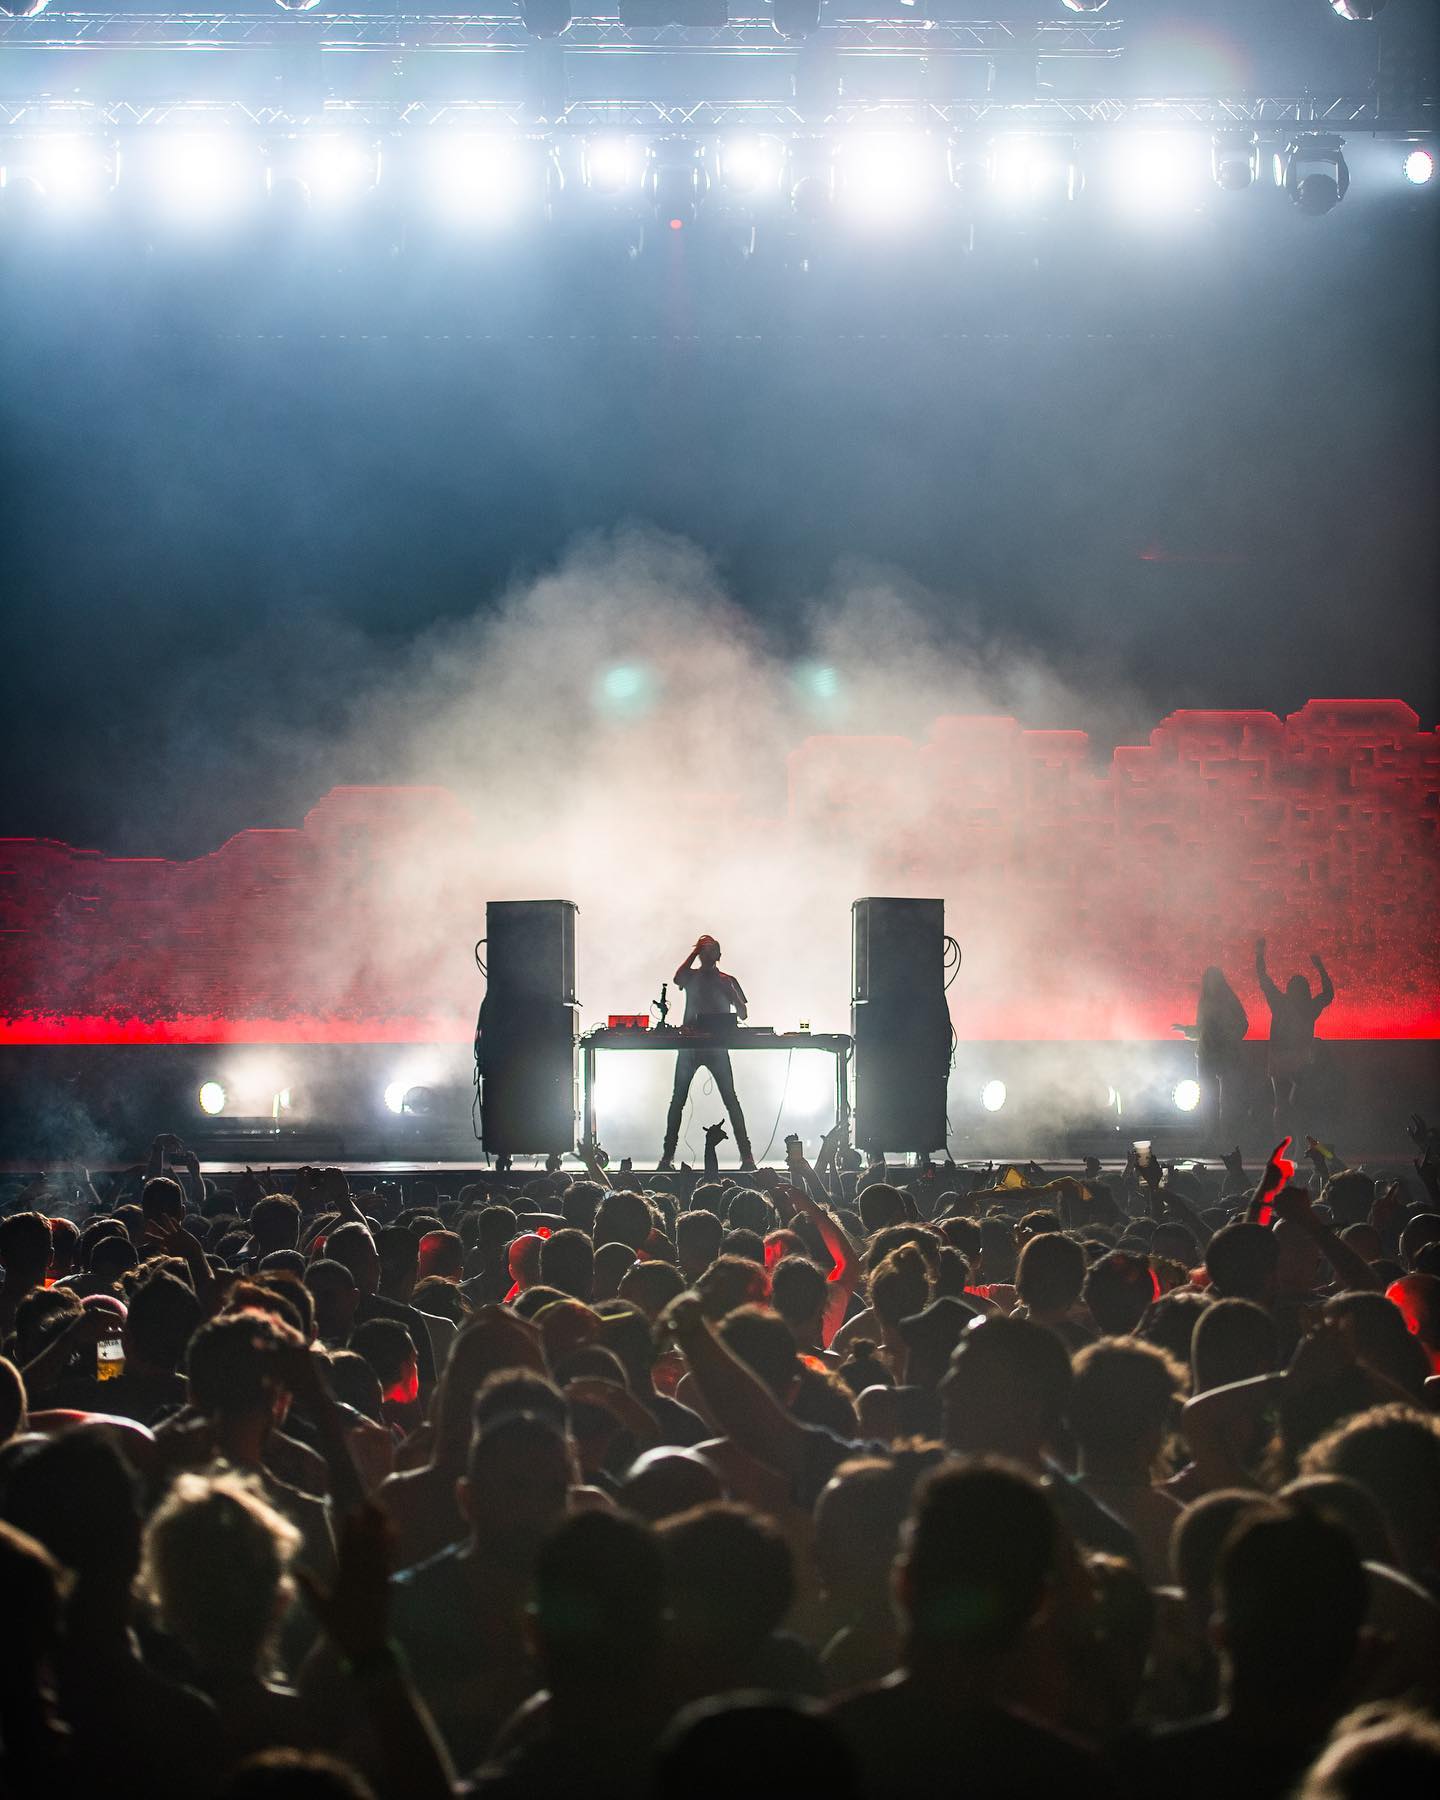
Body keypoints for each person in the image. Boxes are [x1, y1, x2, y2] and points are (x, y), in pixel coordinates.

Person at [659, 936, 754, 1172]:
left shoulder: (727, 980)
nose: (707, 955)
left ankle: (747, 1156)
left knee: (730, 1100)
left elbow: (743, 1014)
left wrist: (733, 994)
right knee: (678, 1101)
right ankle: (667, 1157)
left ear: (719, 955)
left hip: (716, 1047)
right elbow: (677, 978)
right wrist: (694, 952)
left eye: (711, 951)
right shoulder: (691, 977)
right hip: (691, 1047)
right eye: (703, 951)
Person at [1254, 937, 1335, 1131]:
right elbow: (1328, 994)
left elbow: (1263, 977)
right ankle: (1297, 1142)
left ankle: (1282, 1141)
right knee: (1296, 1105)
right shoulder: (1309, 1008)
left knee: (1281, 1104)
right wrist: (1320, 968)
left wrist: (1259, 953)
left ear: (1289, 989)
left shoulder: (1280, 1003)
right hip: (1299, 1061)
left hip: (1279, 1060)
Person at [1173, 966, 1249, 1143]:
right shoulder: (1207, 1003)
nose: (1211, 984)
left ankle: (1225, 1138)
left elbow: (1242, 1025)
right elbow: (1202, 1030)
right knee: (1209, 1099)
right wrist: (1186, 1030)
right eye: (1209, 980)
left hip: (1224, 1055)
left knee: (1226, 1099)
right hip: (1208, 1055)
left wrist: (1230, 1037)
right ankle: (1212, 1137)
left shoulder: (1227, 1001)